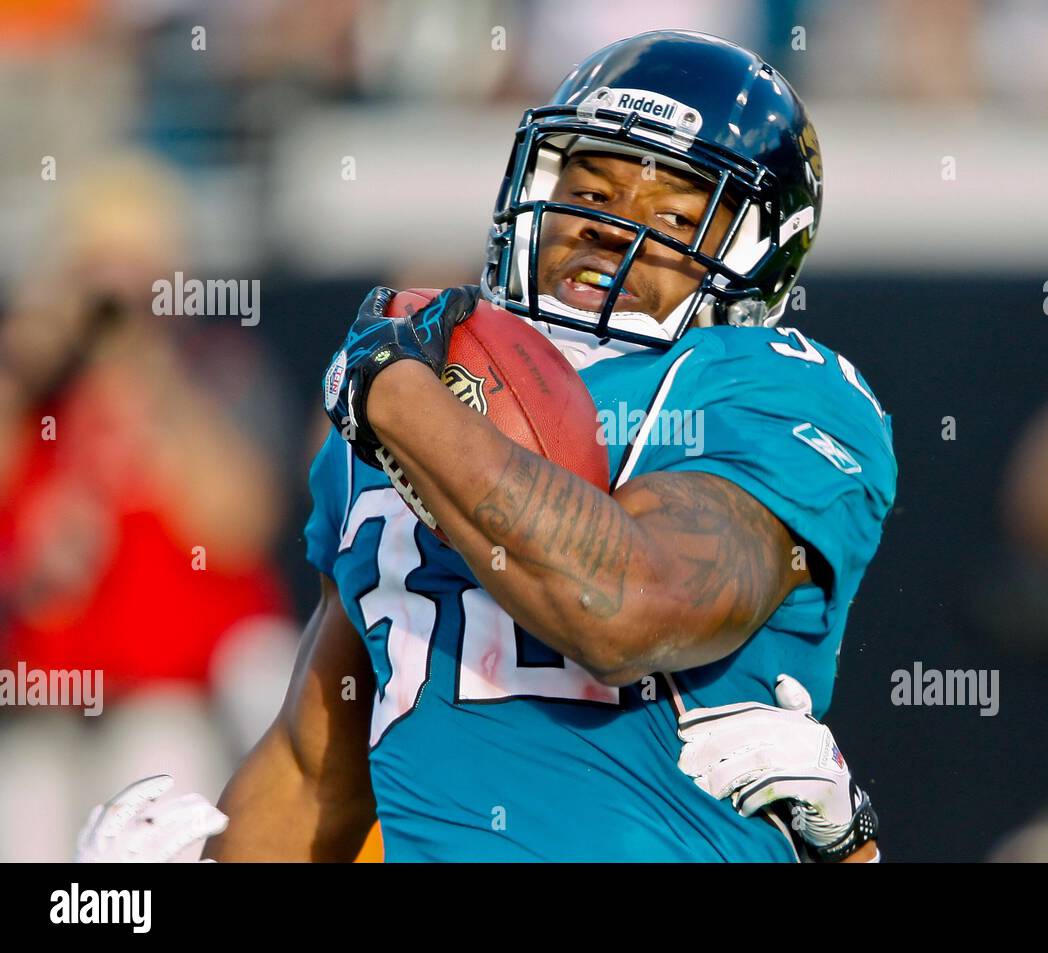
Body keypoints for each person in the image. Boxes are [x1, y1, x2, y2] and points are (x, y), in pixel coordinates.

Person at [85, 31, 896, 863]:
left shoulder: (770, 387)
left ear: (760, 250)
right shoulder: (429, 386)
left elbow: (624, 609)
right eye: (591, 188)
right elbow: (312, 767)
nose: (613, 230)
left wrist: (402, 401)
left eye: (674, 214)